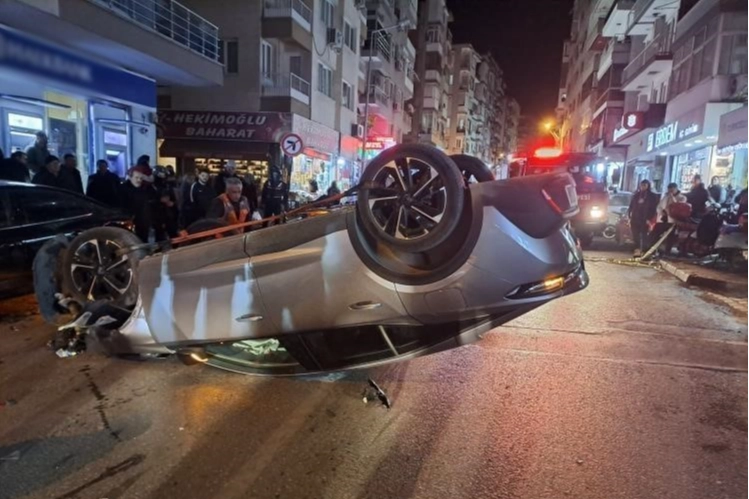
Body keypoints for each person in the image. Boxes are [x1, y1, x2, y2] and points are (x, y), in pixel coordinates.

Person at [120, 165, 153, 242]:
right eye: (136, 177)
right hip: (130, 224)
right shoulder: (123, 189)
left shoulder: (142, 189)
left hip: (143, 224)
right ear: (130, 177)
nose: (139, 180)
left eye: (141, 178)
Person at [627, 179, 659, 257]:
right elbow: (631, 206)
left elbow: (653, 209)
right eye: (641, 185)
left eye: (644, 185)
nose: (643, 187)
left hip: (645, 219)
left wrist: (650, 219)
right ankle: (637, 250)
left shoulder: (652, 196)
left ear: (648, 186)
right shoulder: (636, 195)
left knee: (644, 235)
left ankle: (645, 251)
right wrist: (629, 216)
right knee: (635, 235)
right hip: (635, 218)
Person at [152, 165, 179, 240]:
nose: (163, 175)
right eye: (161, 173)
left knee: (173, 233)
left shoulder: (167, 185)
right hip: (158, 214)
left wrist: (172, 203)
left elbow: (173, 198)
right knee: (159, 235)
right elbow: (150, 201)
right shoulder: (152, 187)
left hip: (169, 213)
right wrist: (159, 200)